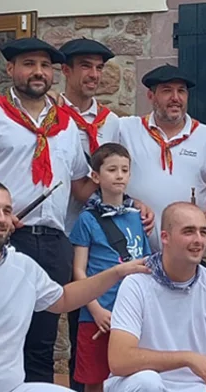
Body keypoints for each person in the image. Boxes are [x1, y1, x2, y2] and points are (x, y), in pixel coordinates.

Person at [0, 37, 96, 384]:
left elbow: (80, 187)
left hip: (53, 242)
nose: (38, 72)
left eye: (45, 65)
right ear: (11, 69)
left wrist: (119, 185)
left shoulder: (68, 125)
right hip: (3, 240)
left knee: (42, 342)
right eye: (29, 64)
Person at [0, 178, 151, 392]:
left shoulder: (23, 266)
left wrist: (116, 273)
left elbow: (63, 299)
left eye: (7, 211)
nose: (2, 219)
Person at [105, 203, 206, 392]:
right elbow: (119, 360)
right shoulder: (136, 283)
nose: (198, 240)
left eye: (203, 232)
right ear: (165, 237)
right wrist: (187, 358)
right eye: (189, 232)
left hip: (194, 388)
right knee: (148, 382)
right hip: (143, 384)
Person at [59, 38, 125, 391]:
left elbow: (119, 171)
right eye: (85, 66)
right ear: (66, 70)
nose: (94, 74)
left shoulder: (111, 122)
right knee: (59, 321)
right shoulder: (51, 115)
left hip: (100, 238)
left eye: (99, 68)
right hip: (63, 228)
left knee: (90, 328)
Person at [70, 143, 153, 392]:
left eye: (124, 170)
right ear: (96, 176)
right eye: (112, 169)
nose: (119, 175)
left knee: (132, 374)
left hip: (131, 313)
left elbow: (146, 263)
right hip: (98, 314)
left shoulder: (137, 217)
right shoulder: (86, 219)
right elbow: (79, 270)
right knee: (94, 378)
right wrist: (95, 309)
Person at [118, 65, 206, 250]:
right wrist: (130, 202)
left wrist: (197, 227)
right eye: (167, 91)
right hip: (132, 251)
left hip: (185, 254)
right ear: (151, 96)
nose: (175, 98)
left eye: (181, 91)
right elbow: (101, 177)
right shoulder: (125, 130)